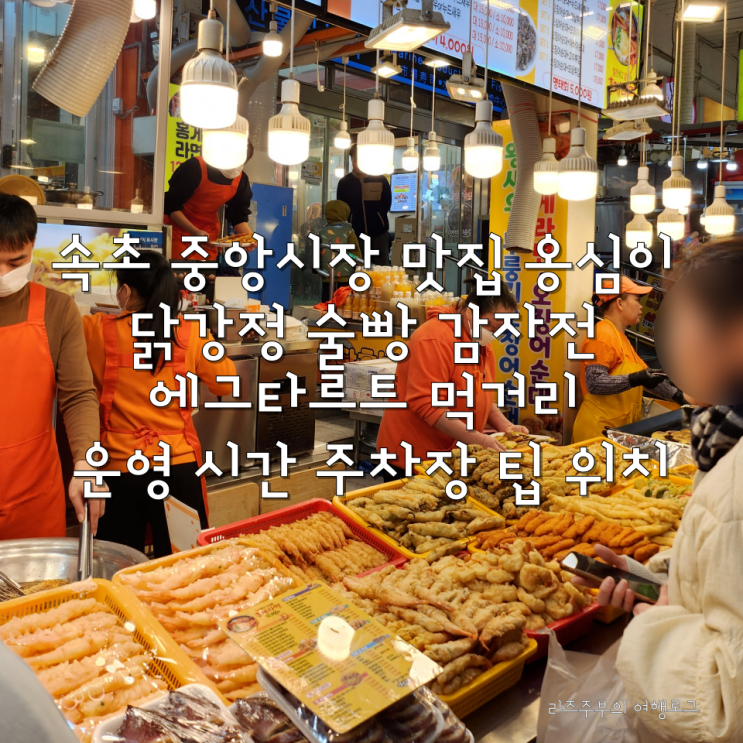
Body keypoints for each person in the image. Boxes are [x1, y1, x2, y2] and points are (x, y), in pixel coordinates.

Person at [571, 239, 743, 743]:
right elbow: (598, 384)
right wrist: (654, 581)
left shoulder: (734, 487)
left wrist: (654, 618)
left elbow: (722, 703)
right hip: (596, 428)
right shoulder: (724, 441)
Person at [82, 251, 236, 556]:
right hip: (177, 465)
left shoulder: (95, 328)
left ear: (126, 291)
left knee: (119, 566)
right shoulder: (190, 332)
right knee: (185, 566)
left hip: (119, 468)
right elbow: (226, 383)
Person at [0, 194, 104, 538]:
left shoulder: (57, 309)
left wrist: (86, 461)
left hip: (33, 496)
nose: (3, 274)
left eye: (15, 261)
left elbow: (78, 395)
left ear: (32, 247)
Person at [377, 280, 529, 479]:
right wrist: (478, 439)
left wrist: (505, 427)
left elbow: (480, 393)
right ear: (470, 312)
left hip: (451, 456)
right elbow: (428, 405)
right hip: (413, 456)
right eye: (490, 325)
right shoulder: (434, 338)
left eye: (499, 328)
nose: (493, 333)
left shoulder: (480, 341)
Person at [572, 275, 684, 442]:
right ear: (619, 303)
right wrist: (635, 378)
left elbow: (648, 378)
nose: (641, 306)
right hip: (596, 433)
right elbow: (595, 382)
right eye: (637, 300)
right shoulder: (602, 334)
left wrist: (679, 397)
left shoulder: (621, 339)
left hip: (614, 432)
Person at [164, 141, 254, 260]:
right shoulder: (195, 167)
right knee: (178, 269)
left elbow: (238, 215)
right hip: (178, 230)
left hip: (208, 235)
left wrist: (250, 239)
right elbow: (171, 205)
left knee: (206, 271)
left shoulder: (241, 179)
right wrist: (195, 231)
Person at [337, 144, 392, 265]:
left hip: (379, 233)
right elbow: (341, 209)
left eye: (359, 160)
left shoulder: (380, 179)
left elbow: (387, 203)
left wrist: (379, 218)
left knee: (381, 267)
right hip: (355, 234)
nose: (356, 164)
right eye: (354, 161)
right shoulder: (344, 183)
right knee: (358, 267)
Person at [318, 200, 361, 302]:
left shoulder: (321, 232)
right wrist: (359, 266)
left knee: (327, 296)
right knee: (344, 298)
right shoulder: (349, 231)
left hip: (327, 273)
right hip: (345, 273)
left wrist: (316, 268)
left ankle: (327, 309)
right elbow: (355, 252)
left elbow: (316, 253)